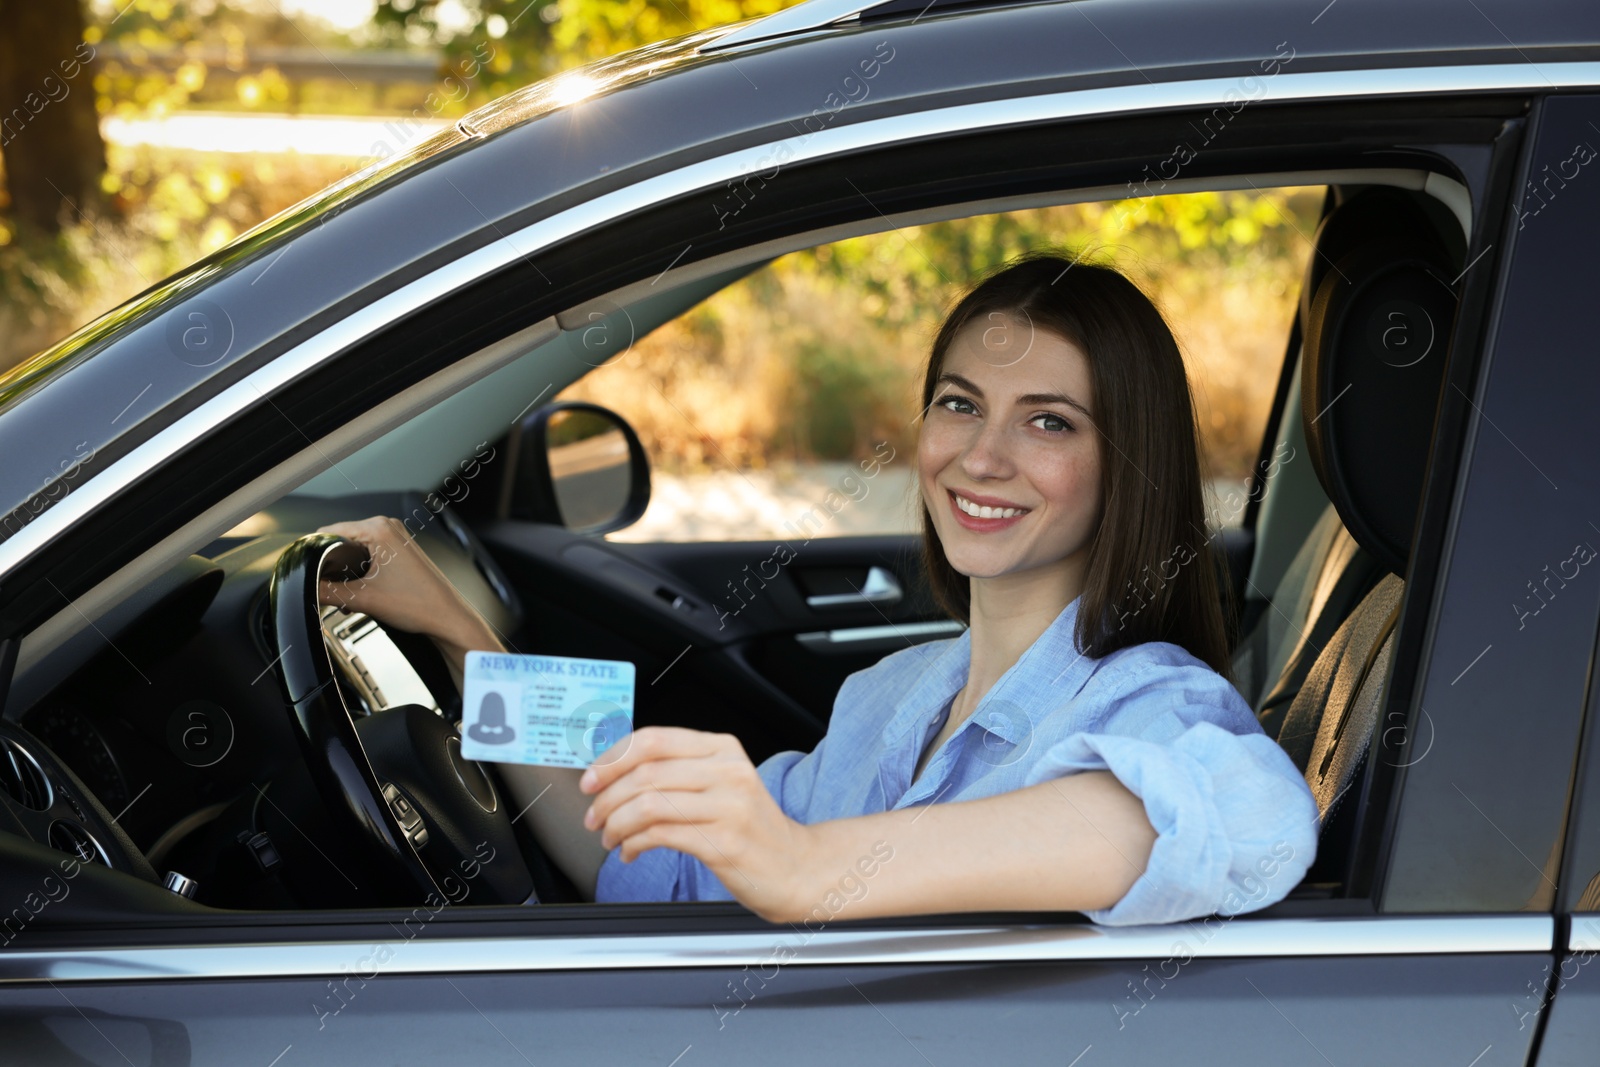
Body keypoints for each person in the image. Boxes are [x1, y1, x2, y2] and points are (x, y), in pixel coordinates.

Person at [319, 252, 1319, 927]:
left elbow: (1244, 822)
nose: (980, 454)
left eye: (1048, 421)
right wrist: (464, 639)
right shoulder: (891, 695)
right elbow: (648, 868)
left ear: (1125, 463)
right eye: (958, 403)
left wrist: (804, 869)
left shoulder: (1152, 695)